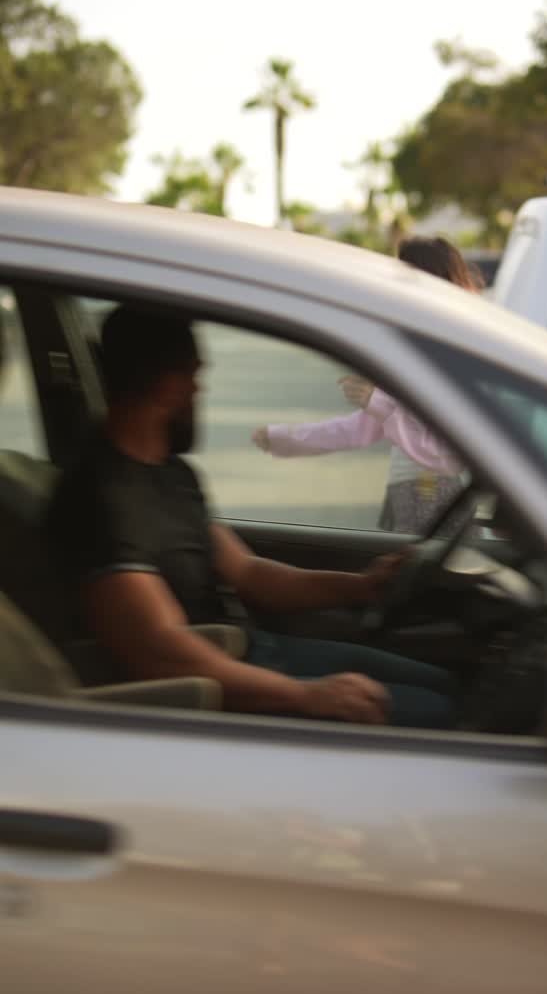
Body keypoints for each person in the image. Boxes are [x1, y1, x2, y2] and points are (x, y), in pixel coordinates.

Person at [48, 306, 456, 728]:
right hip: (221, 692)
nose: (197, 391)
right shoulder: (97, 500)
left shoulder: (172, 475)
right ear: (168, 382)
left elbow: (247, 572)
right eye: (195, 377)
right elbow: (159, 649)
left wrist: (362, 587)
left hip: (251, 652)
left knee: (449, 686)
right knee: (443, 715)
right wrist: (305, 696)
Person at [253, 236, 482, 533]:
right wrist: (283, 439)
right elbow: (360, 428)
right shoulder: (415, 350)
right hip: (412, 493)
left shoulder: (451, 355)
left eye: (400, 275)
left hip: (434, 495)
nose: (389, 285)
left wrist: (379, 403)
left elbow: (447, 455)